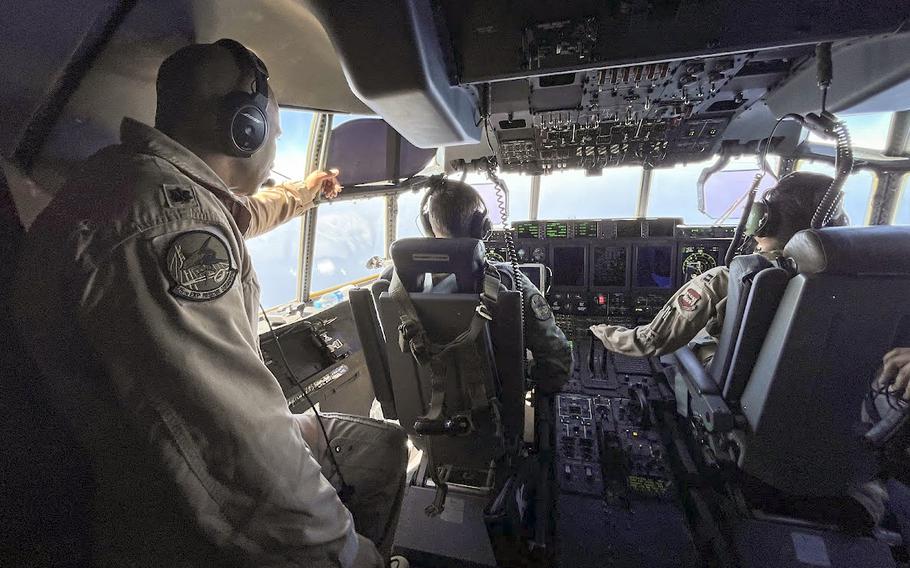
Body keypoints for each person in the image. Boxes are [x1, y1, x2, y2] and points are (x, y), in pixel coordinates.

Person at [12, 40, 407, 567]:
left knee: (378, 446)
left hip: (124, 458)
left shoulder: (146, 186)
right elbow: (233, 446)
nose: (276, 145)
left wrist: (307, 192)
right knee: (375, 458)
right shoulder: (162, 225)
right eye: (275, 129)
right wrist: (348, 557)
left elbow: (245, 215)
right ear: (246, 127)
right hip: (145, 507)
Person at [590, 171, 846, 360]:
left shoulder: (731, 279)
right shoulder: (856, 286)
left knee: (686, 346)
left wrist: (599, 331)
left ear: (762, 221)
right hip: (792, 395)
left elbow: (648, 343)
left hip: (727, 387)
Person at [385, 177, 572, 395]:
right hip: (493, 414)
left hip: (422, 410)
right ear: (482, 227)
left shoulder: (392, 282)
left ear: (428, 226)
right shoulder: (510, 281)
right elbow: (558, 361)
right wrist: (524, 381)